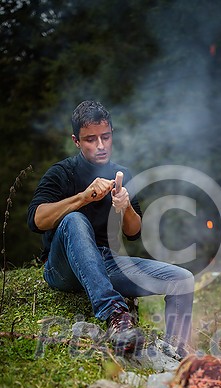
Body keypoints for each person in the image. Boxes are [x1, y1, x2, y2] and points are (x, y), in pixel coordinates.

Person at [27, 100, 194, 356]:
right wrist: (82, 198)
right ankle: (116, 315)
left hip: (105, 262)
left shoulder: (121, 174)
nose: (101, 145)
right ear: (76, 141)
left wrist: (125, 206)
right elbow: (36, 220)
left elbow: (134, 232)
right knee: (74, 220)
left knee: (182, 279)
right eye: (90, 139)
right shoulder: (61, 173)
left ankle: (175, 353)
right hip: (62, 267)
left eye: (105, 136)